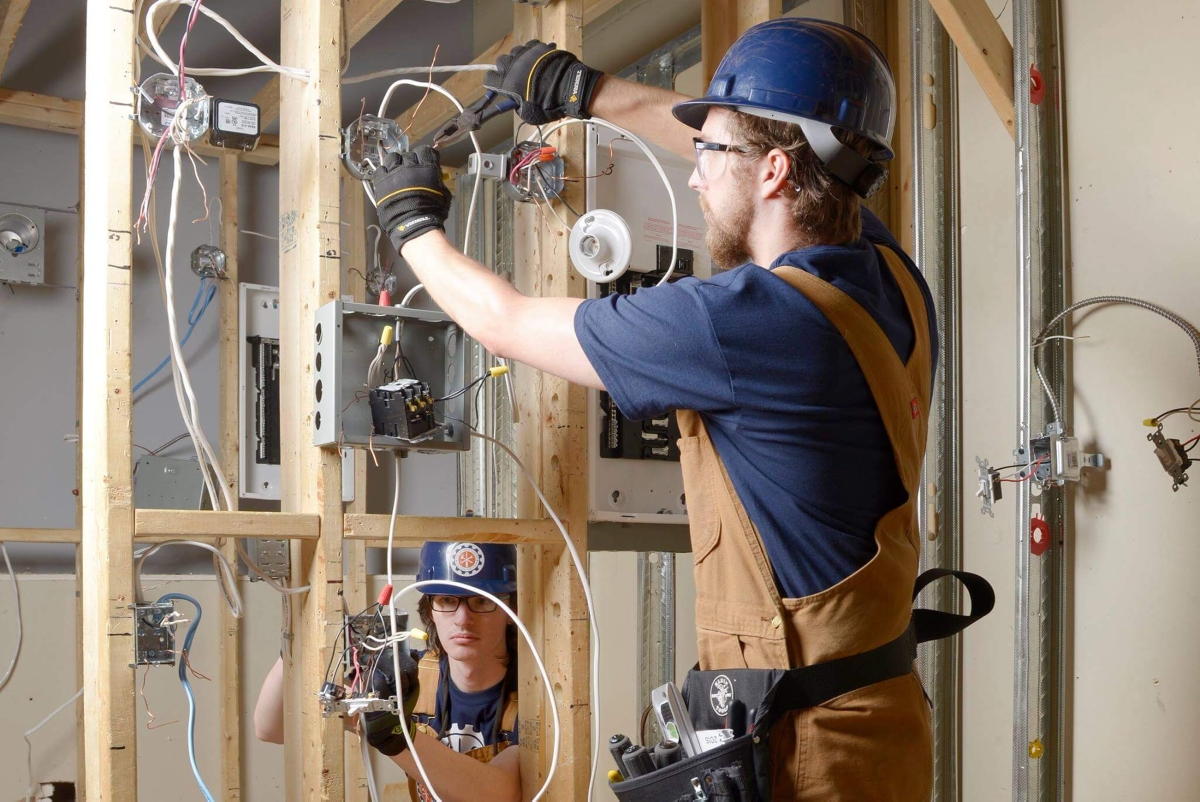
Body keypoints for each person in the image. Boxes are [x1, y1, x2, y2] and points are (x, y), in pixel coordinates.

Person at [369, 18, 938, 800]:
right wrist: (587, 93)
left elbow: (501, 320)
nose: (695, 177)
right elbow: (765, 144)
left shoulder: (738, 321)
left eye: (711, 155)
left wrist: (409, 222)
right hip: (882, 724)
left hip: (809, 753)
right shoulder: (884, 274)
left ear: (775, 171)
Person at [253, 542, 521, 802]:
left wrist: (398, 738)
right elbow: (273, 729)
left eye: (482, 601)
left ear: (512, 610)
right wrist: (297, 641)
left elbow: (500, 793)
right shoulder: (405, 680)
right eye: (447, 600)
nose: (463, 618)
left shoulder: (534, 695)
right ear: (430, 610)